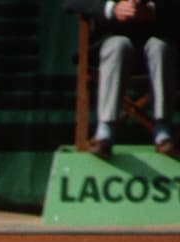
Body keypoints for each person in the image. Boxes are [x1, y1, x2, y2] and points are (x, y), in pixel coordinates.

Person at [67, 0, 178, 157]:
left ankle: (163, 132)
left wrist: (155, 10)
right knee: (118, 45)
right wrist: (112, 9)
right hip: (110, 40)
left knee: (160, 48)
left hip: (158, 39)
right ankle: (104, 132)